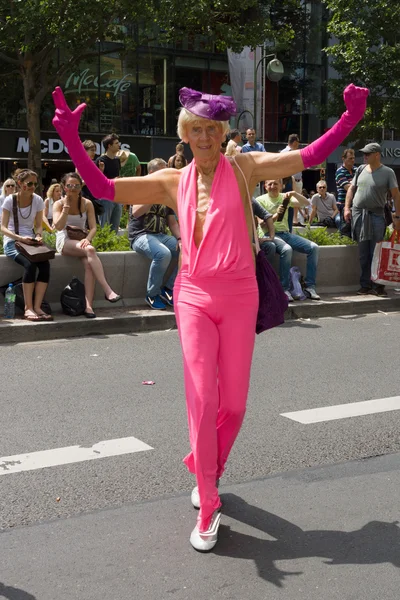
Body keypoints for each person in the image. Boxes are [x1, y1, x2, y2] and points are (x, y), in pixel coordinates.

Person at [52, 82, 369, 551]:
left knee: (234, 405)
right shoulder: (171, 181)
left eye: (211, 129)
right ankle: (209, 499)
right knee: (202, 398)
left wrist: (350, 120)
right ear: (185, 134)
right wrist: (72, 140)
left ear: (222, 133)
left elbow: (306, 157)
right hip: (194, 295)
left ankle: (203, 466)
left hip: (240, 295)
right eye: (195, 129)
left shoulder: (244, 168)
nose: (203, 137)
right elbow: (102, 187)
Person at [53, 172, 122, 318]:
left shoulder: (87, 203)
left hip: (81, 240)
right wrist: (65, 207)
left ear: (81, 186)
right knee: (90, 250)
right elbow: (58, 227)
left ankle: (88, 306)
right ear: (64, 187)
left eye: (76, 186)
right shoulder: (58, 204)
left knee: (89, 264)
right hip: (64, 241)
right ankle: (107, 289)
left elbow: (94, 227)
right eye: (69, 186)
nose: (73, 189)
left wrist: (88, 239)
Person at [344, 142, 400, 296]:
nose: (364, 156)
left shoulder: (388, 172)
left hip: (376, 216)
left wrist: (398, 217)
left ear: (377, 155)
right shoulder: (360, 169)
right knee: (363, 253)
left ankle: (378, 285)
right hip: (359, 215)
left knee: (377, 252)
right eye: (364, 153)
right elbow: (351, 190)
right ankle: (365, 284)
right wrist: (346, 208)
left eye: (368, 154)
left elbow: (396, 195)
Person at [129, 158, 181, 310]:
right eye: (162, 171)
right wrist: (154, 195)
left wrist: (180, 238)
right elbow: (136, 212)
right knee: (163, 254)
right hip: (140, 235)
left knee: (187, 251)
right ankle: (152, 294)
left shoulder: (167, 194)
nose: (166, 175)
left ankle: (169, 288)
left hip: (161, 235)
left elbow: (172, 222)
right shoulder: (141, 189)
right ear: (152, 173)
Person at [0, 169, 52, 321]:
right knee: (30, 265)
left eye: (35, 184)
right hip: (12, 241)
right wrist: (19, 238)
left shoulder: (38, 200)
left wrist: (38, 236)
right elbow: (2, 227)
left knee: (45, 265)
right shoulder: (10, 200)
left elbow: (38, 225)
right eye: (29, 183)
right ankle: (27, 308)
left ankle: (37, 306)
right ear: (20, 184)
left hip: (30, 241)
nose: (32, 187)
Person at [258, 180, 320, 302]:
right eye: (269, 184)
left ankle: (310, 287)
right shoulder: (260, 200)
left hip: (286, 234)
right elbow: (262, 225)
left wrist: (294, 193)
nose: (273, 186)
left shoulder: (285, 197)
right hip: (269, 235)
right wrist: (276, 215)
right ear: (265, 186)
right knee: (287, 249)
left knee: (314, 247)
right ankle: (284, 288)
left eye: (275, 183)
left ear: (281, 186)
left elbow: (306, 203)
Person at [96, 133, 122, 232]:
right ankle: (104, 246)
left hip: (117, 196)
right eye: (116, 143)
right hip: (105, 198)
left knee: (115, 227)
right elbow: (97, 181)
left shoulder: (117, 160)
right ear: (109, 146)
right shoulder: (100, 160)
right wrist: (113, 180)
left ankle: (114, 246)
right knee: (105, 226)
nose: (118, 145)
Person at [280, 134, 304, 225]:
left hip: (298, 180)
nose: (298, 144)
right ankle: (287, 220)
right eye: (298, 142)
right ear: (294, 142)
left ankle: (295, 220)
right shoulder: (284, 152)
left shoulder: (297, 152)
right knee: (287, 202)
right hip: (288, 181)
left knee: (296, 202)